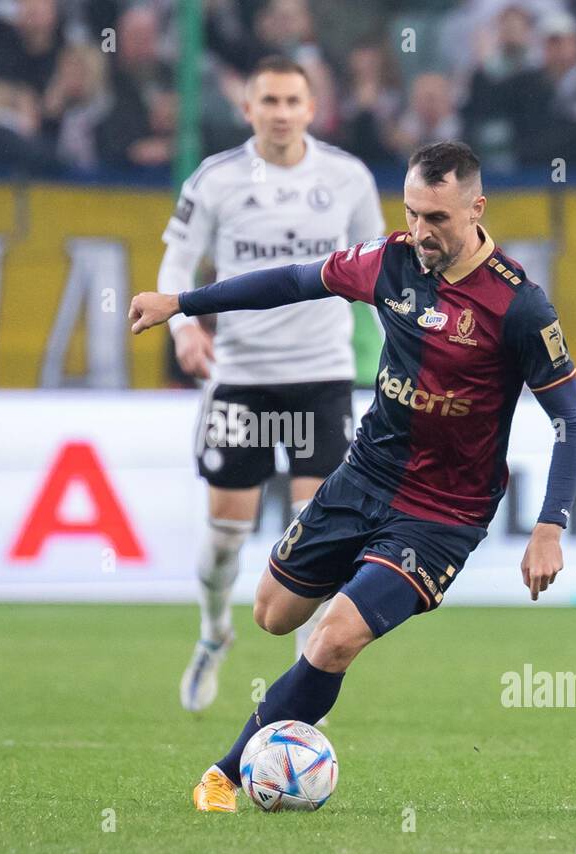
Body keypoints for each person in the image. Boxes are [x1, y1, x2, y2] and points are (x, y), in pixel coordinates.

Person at [130, 141, 576, 811]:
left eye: (437, 217)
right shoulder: (389, 263)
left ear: (477, 208)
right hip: (363, 477)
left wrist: (551, 524)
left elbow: (572, 423)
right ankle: (328, 654)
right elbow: (291, 281)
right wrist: (183, 301)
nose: (421, 232)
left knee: (333, 636)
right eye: (411, 213)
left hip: (443, 513)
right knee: (272, 615)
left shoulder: (520, 306)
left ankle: (225, 776)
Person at [159, 54, 384, 714]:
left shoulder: (347, 178)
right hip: (243, 378)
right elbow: (178, 253)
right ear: (248, 108)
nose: (282, 113)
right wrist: (183, 326)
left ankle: (295, 700)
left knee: (313, 537)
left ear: (312, 109)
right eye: (270, 102)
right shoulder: (217, 179)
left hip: (321, 377)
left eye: (293, 101)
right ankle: (212, 632)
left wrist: (407, 347)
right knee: (228, 534)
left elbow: (381, 270)